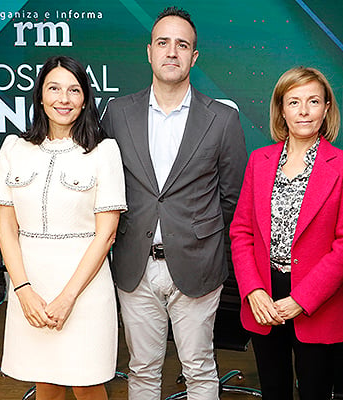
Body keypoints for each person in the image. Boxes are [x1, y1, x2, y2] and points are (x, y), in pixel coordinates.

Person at [101, 6, 247, 400]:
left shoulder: (221, 119)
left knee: (200, 370)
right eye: (163, 43)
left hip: (198, 266)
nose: (172, 52)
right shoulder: (117, 113)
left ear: (193, 57)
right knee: (142, 370)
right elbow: (106, 186)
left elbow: (231, 196)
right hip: (135, 264)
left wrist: (203, 239)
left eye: (182, 45)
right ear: (149, 51)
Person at [0, 55, 126, 400]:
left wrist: (67, 298)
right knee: (45, 380)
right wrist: (22, 290)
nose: (63, 99)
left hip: (85, 290)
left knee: (86, 381)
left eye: (73, 90)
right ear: (39, 96)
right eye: (54, 88)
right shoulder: (14, 148)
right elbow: (7, 229)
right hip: (30, 286)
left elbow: (106, 234)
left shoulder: (103, 151)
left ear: (85, 100)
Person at [230, 66, 343, 399]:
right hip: (264, 297)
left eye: (313, 101)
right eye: (294, 102)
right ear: (281, 110)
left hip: (316, 299)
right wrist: (253, 290)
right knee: (273, 391)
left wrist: (302, 300)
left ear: (327, 108)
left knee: (316, 392)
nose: (303, 111)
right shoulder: (259, 161)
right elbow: (241, 232)